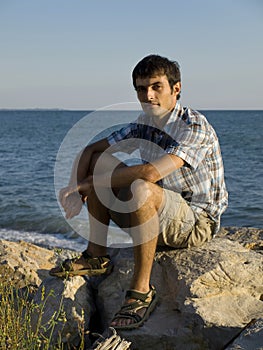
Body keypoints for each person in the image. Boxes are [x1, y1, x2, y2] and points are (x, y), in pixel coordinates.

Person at [50, 54, 228, 330]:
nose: (148, 95)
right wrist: (76, 189)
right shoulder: (143, 124)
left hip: (195, 223)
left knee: (142, 187)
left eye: (156, 86)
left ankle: (142, 291)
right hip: (156, 215)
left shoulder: (194, 126)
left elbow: (151, 174)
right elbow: (91, 150)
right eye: (141, 88)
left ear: (176, 89)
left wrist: (90, 184)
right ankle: (96, 255)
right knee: (101, 162)